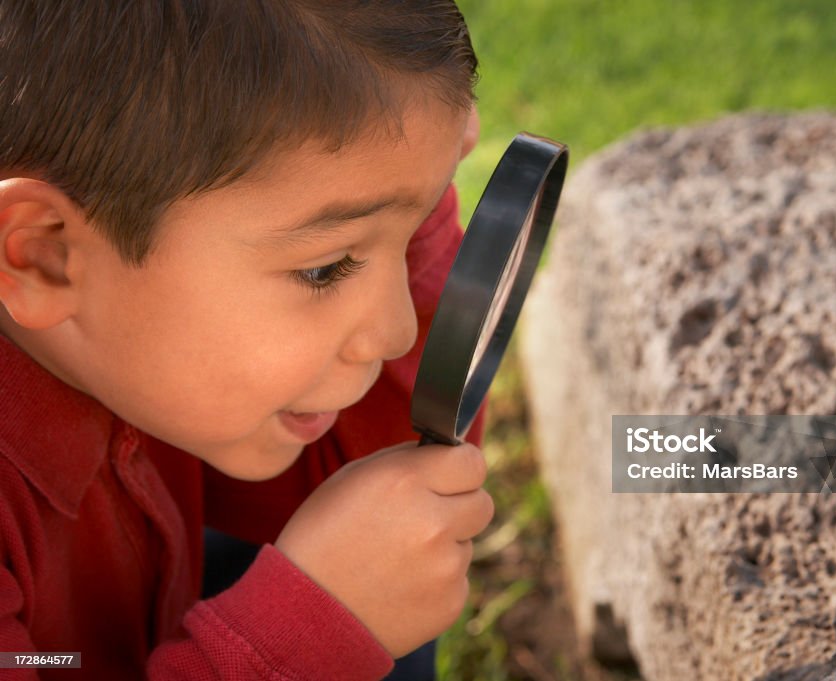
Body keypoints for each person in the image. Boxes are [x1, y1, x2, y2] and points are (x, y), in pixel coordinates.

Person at [0, 2, 493, 679]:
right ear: (42, 255)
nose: (394, 331)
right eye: (325, 267)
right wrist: (300, 633)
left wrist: (415, 208)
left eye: (400, 244)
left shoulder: (142, 346)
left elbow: (381, 483)